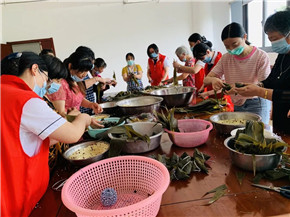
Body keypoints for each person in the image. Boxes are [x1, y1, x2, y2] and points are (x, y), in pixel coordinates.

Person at [0, 52, 93, 217]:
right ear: (35, 69)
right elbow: (72, 135)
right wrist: (84, 118)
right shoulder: (25, 99)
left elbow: (22, 140)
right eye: (47, 77)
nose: (48, 85)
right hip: (19, 197)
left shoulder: (4, 93)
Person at [203, 22, 272, 124]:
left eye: (235, 44)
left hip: (256, 103)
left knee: (256, 134)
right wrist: (214, 79)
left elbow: (264, 85)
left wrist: (236, 90)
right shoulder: (226, 58)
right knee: (238, 132)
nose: (231, 49)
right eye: (227, 46)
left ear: (244, 37)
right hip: (237, 103)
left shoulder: (261, 56)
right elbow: (206, 79)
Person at [236, 9, 290, 133]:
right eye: (270, 39)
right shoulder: (283, 55)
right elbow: (272, 80)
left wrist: (261, 92)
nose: (273, 43)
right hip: (280, 119)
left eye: (275, 38)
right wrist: (257, 85)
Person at [47, 51, 103, 117]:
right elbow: (61, 114)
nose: (84, 75)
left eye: (87, 71)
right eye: (82, 71)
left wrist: (91, 104)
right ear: (70, 66)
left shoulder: (75, 81)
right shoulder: (61, 84)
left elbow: (77, 99)